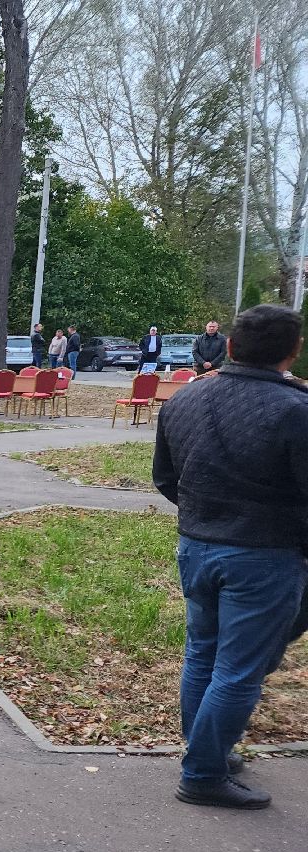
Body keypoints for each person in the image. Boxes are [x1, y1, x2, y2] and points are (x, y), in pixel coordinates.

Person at [153, 304, 308, 810]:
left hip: (196, 545)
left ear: (232, 345)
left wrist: (207, 514)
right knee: (238, 667)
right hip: (264, 554)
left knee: (204, 652)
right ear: (293, 351)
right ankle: (203, 772)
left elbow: (166, 478)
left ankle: (205, 751)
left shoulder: (185, 399)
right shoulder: (296, 411)